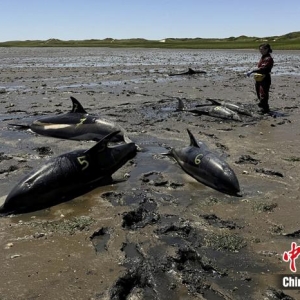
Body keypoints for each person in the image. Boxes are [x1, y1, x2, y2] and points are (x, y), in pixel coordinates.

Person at [247, 43, 274, 114]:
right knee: (258, 92)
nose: (260, 51)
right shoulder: (263, 57)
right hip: (259, 78)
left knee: (263, 93)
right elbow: (260, 67)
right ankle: (262, 105)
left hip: (265, 78)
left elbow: (264, 68)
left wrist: (253, 70)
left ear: (266, 49)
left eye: (262, 49)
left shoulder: (268, 58)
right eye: (260, 49)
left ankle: (265, 109)